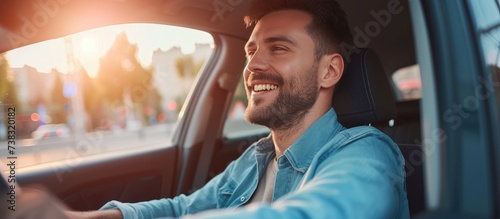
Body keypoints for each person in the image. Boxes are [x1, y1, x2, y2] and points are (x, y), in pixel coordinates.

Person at [8, 0, 410, 218]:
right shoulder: (256, 158)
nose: (252, 66)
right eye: (251, 50)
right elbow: (182, 207)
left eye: (279, 48)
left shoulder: (366, 151)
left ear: (329, 71)